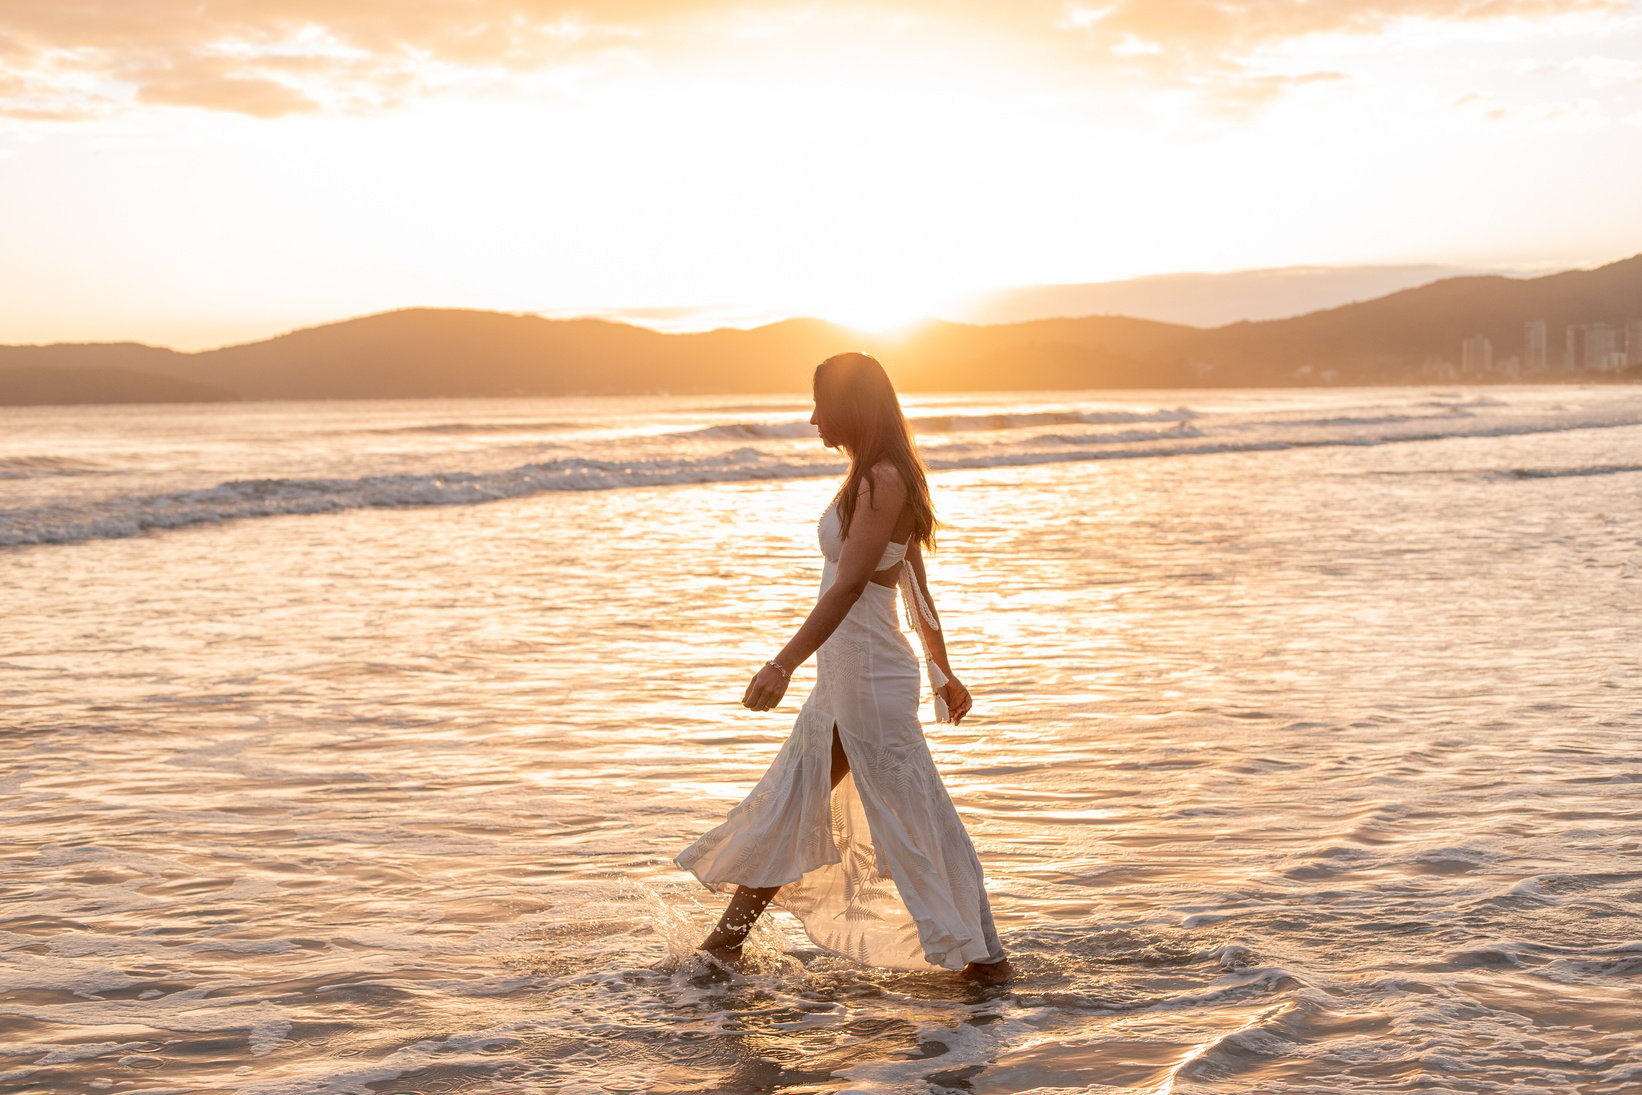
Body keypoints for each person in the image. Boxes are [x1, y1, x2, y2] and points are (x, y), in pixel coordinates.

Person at [674, 352, 1012, 986]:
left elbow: (852, 584)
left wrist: (781, 663)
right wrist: (944, 672)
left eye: (819, 404)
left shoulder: (882, 479)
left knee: (905, 817)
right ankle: (726, 944)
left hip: (867, 678)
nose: (811, 418)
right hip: (848, 676)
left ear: (849, 407)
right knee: (802, 801)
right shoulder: (875, 475)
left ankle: (982, 958)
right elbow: (913, 583)